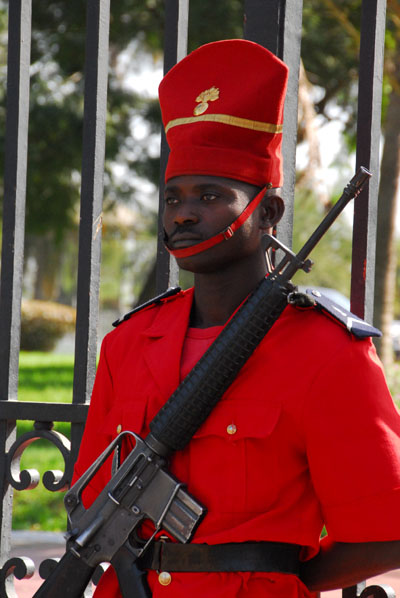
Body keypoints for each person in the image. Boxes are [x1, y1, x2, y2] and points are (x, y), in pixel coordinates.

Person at [72, 39, 400, 598]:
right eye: (173, 198)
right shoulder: (128, 344)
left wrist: (280, 579)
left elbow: (386, 530)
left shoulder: (325, 350)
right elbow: (93, 499)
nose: (185, 213)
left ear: (267, 211)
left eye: (210, 195)